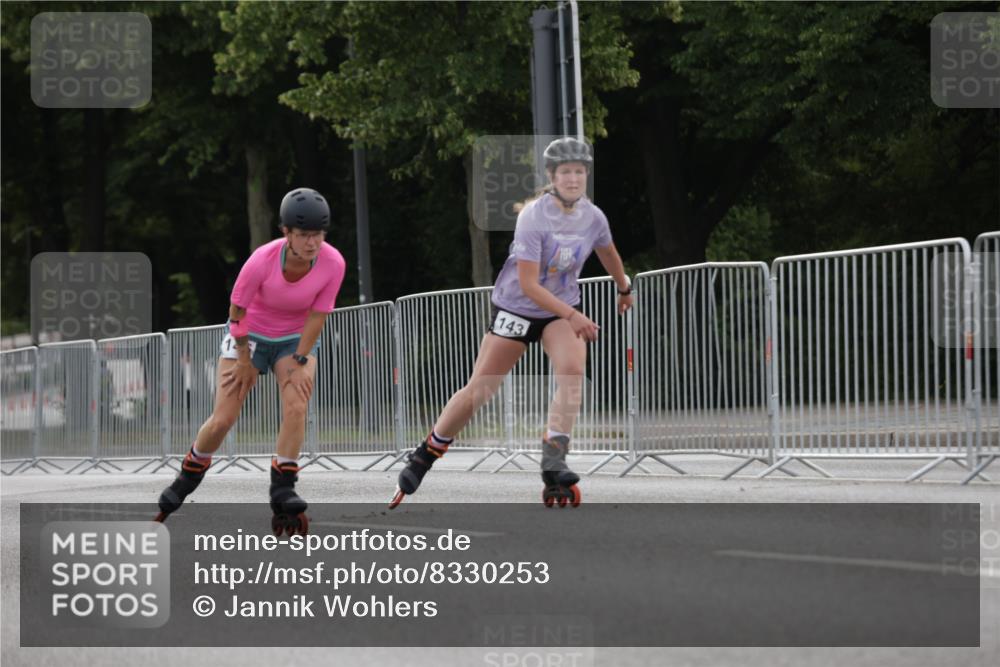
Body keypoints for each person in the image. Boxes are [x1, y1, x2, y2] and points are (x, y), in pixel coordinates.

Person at [390, 137, 633, 508]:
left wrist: (623, 286)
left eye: (579, 171)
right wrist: (574, 314)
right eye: (565, 171)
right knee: (481, 389)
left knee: (572, 370)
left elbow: (607, 250)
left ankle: (553, 460)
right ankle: (426, 453)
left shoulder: (593, 216)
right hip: (518, 308)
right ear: (551, 176)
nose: (572, 178)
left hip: (558, 310)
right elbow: (529, 285)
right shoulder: (533, 216)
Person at [155, 188, 346, 534]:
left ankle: (283, 487)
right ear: (286, 233)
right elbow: (237, 314)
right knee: (224, 418)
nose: (312, 243)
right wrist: (244, 360)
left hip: (293, 338)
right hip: (249, 335)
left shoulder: (333, 263)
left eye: (318, 234)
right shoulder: (262, 260)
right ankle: (189, 474)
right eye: (303, 235)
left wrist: (301, 358)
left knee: (297, 405)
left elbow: (318, 316)